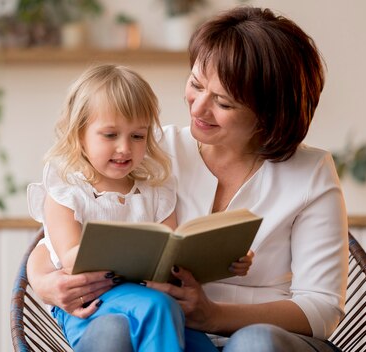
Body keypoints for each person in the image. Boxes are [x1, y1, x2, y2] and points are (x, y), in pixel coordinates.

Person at [27, 6, 348, 351]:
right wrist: (46, 282)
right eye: (195, 84)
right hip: (162, 329)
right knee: (114, 332)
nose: (197, 108)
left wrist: (212, 315)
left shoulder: (311, 172)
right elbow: (61, 234)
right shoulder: (148, 150)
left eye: (223, 103)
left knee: (254, 343)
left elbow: (322, 309)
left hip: (272, 340)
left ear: (269, 115)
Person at [27, 63, 253, 352]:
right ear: (79, 134)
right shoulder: (66, 190)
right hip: (90, 303)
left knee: (196, 340)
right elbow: (72, 259)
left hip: (148, 299)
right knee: (158, 306)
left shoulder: (155, 192)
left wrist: (225, 256)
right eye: (110, 135)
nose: (124, 148)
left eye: (137, 136)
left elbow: (172, 253)